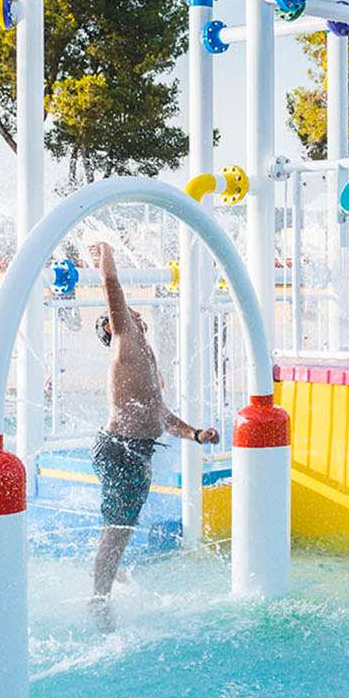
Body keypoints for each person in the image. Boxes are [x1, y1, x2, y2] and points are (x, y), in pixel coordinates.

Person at [87, 241, 220, 629]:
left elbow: (161, 415)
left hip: (136, 450)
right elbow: (112, 287)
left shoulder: (144, 357)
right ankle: (98, 599)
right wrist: (106, 254)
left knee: (122, 524)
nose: (136, 313)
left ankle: (108, 571)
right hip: (121, 449)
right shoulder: (124, 339)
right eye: (128, 312)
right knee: (118, 527)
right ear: (112, 325)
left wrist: (196, 434)